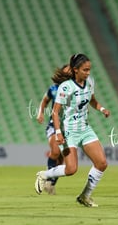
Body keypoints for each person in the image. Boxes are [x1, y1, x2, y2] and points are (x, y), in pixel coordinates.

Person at [34, 53, 110, 207]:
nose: (88, 73)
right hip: (68, 131)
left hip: (85, 129)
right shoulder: (66, 87)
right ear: (76, 70)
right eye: (85, 70)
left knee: (101, 163)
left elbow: (92, 101)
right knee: (71, 169)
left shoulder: (89, 83)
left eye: (89, 70)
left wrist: (102, 109)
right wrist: (58, 132)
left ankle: (85, 196)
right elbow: (55, 112)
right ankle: (44, 175)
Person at [36, 65, 71, 195]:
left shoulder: (74, 88)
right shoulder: (53, 89)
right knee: (55, 151)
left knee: (62, 157)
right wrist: (40, 113)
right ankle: (46, 177)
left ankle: (51, 183)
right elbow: (44, 101)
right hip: (53, 125)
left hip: (68, 127)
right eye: (68, 69)